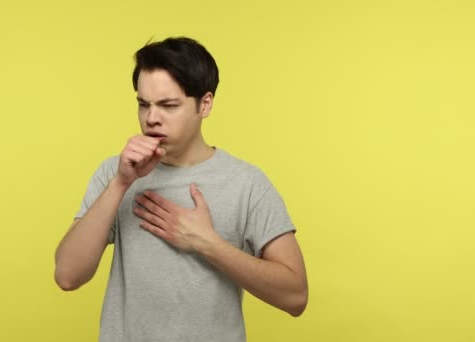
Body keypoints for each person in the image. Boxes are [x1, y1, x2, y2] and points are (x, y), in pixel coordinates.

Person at [54, 37, 308, 342]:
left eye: (168, 105)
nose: (151, 118)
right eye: (143, 104)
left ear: (205, 104)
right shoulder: (115, 172)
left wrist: (207, 243)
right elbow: (67, 275)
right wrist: (121, 183)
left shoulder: (247, 183)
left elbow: (295, 296)